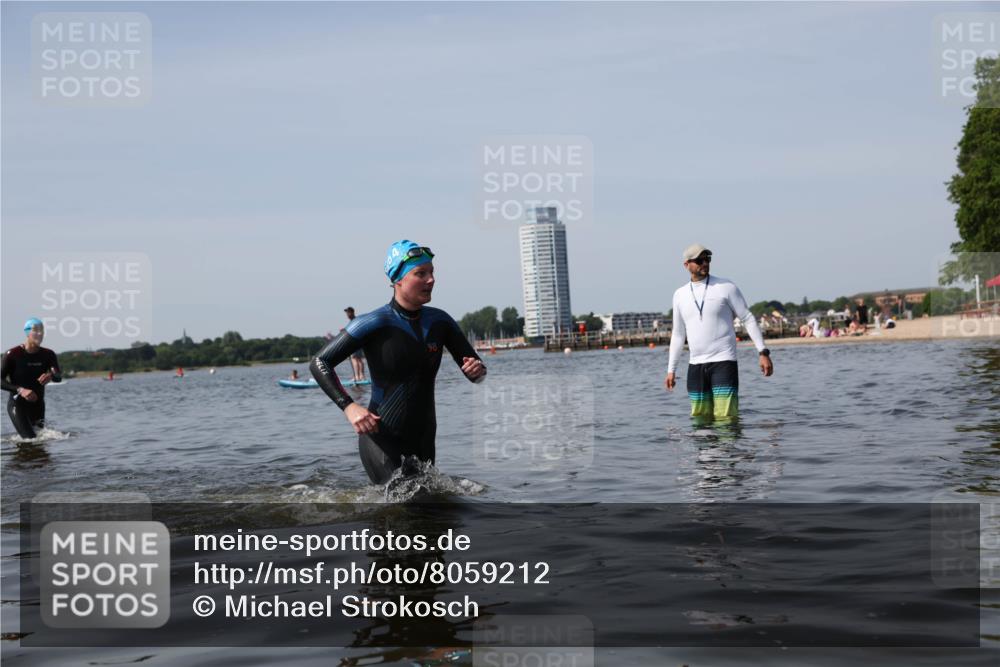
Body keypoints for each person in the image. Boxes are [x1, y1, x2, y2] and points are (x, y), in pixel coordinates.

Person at [310, 240, 487, 484]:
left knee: (429, 504)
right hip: (380, 438)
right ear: (398, 280)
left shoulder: (441, 322)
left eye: (432, 272)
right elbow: (320, 362)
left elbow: (477, 372)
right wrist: (349, 407)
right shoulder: (373, 323)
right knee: (403, 502)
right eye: (420, 273)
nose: (431, 280)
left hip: (424, 438)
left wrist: (477, 371)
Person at [665, 245, 773, 420]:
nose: (704, 263)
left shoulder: (726, 287)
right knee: (700, 421)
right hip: (696, 366)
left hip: (723, 362)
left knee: (726, 420)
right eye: (699, 260)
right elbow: (678, 334)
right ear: (686, 265)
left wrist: (763, 352)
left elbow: (747, 318)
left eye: (707, 259)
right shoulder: (679, 294)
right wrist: (671, 370)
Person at [1, 318, 61, 439]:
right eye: (36, 330)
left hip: (38, 405)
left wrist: (50, 376)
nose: (40, 333)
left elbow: (58, 376)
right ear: (27, 332)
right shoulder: (12, 354)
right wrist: (21, 390)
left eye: (42, 330)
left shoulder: (48, 354)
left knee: (41, 440)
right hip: (18, 405)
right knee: (30, 439)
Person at [343, 307, 367, 382]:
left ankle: (357, 376)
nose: (347, 314)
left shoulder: (354, 321)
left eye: (348, 312)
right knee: (359, 359)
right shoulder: (356, 320)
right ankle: (361, 376)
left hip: (354, 342)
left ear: (352, 312)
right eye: (347, 313)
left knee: (354, 359)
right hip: (359, 342)